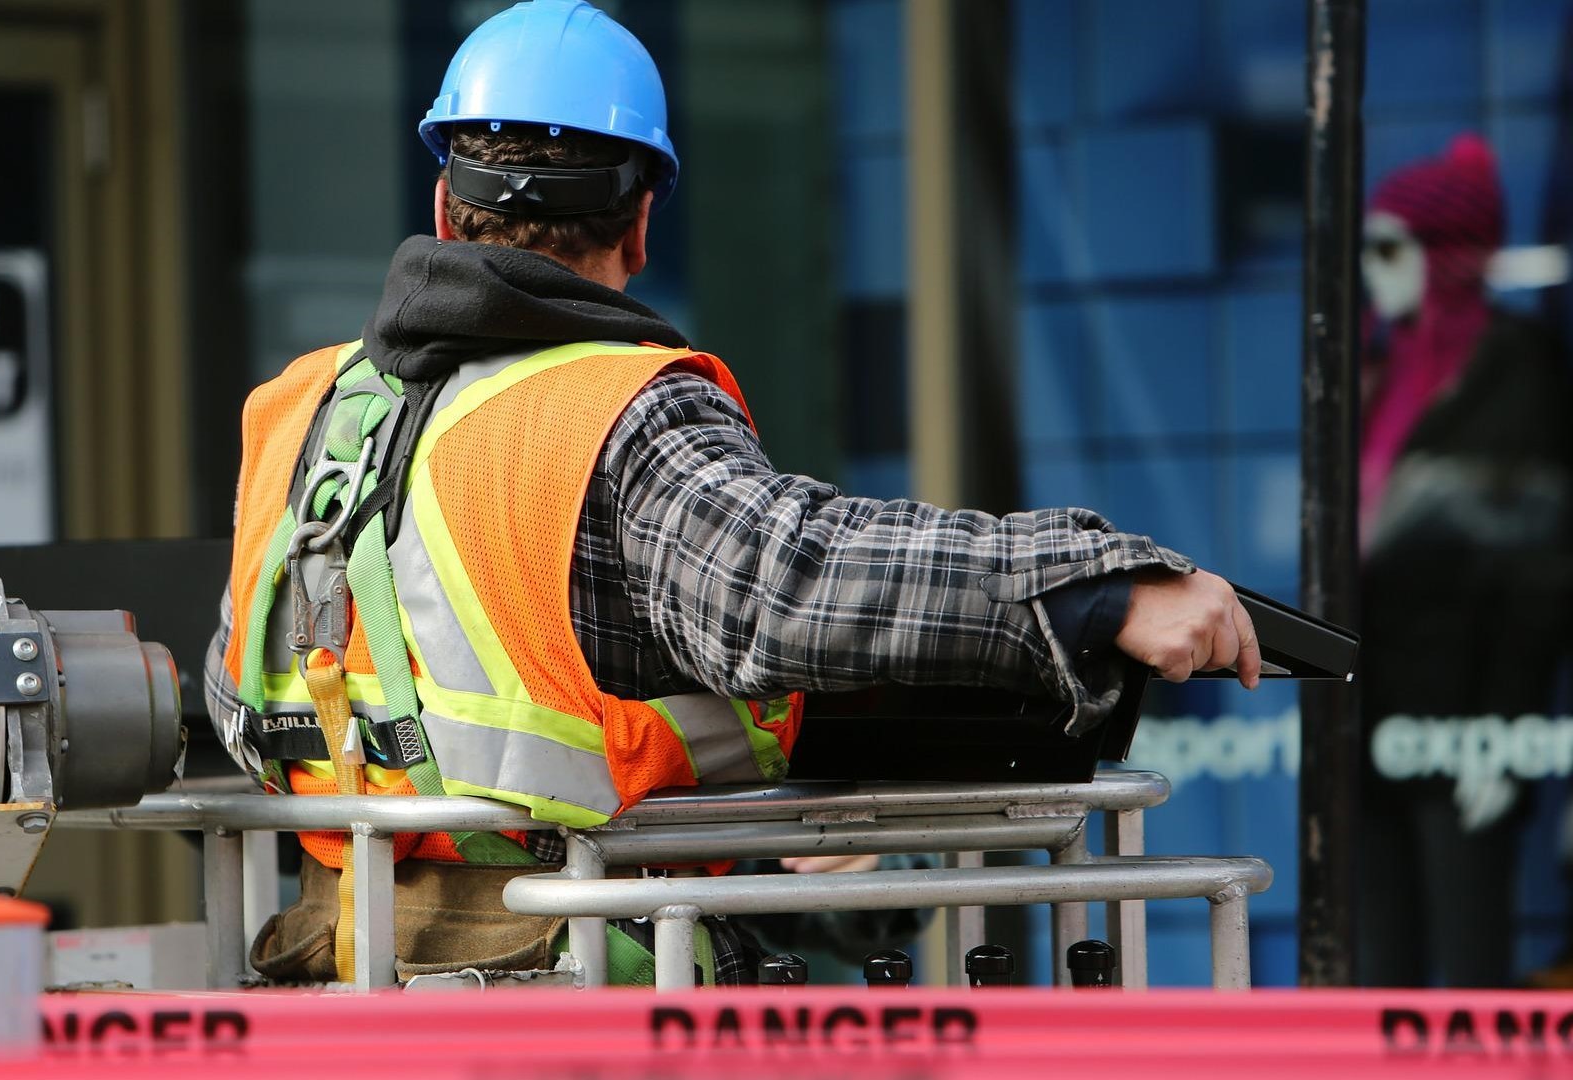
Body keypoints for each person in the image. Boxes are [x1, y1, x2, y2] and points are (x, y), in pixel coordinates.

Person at [203, 0, 1260, 986]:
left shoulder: (299, 411)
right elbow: (783, 585)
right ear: (642, 223)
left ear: (443, 202)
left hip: (336, 975)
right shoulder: (613, 410)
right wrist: (1098, 588)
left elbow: (238, 683)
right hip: (573, 985)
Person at [1354, 135, 1573, 987]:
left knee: (1467, 958)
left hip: (1465, 712)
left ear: (1444, 252)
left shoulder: (1514, 368)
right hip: (1372, 707)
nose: (1374, 270)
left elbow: (1536, 571)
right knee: (1379, 962)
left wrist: (1503, 730)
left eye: (1388, 248)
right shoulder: (1375, 368)